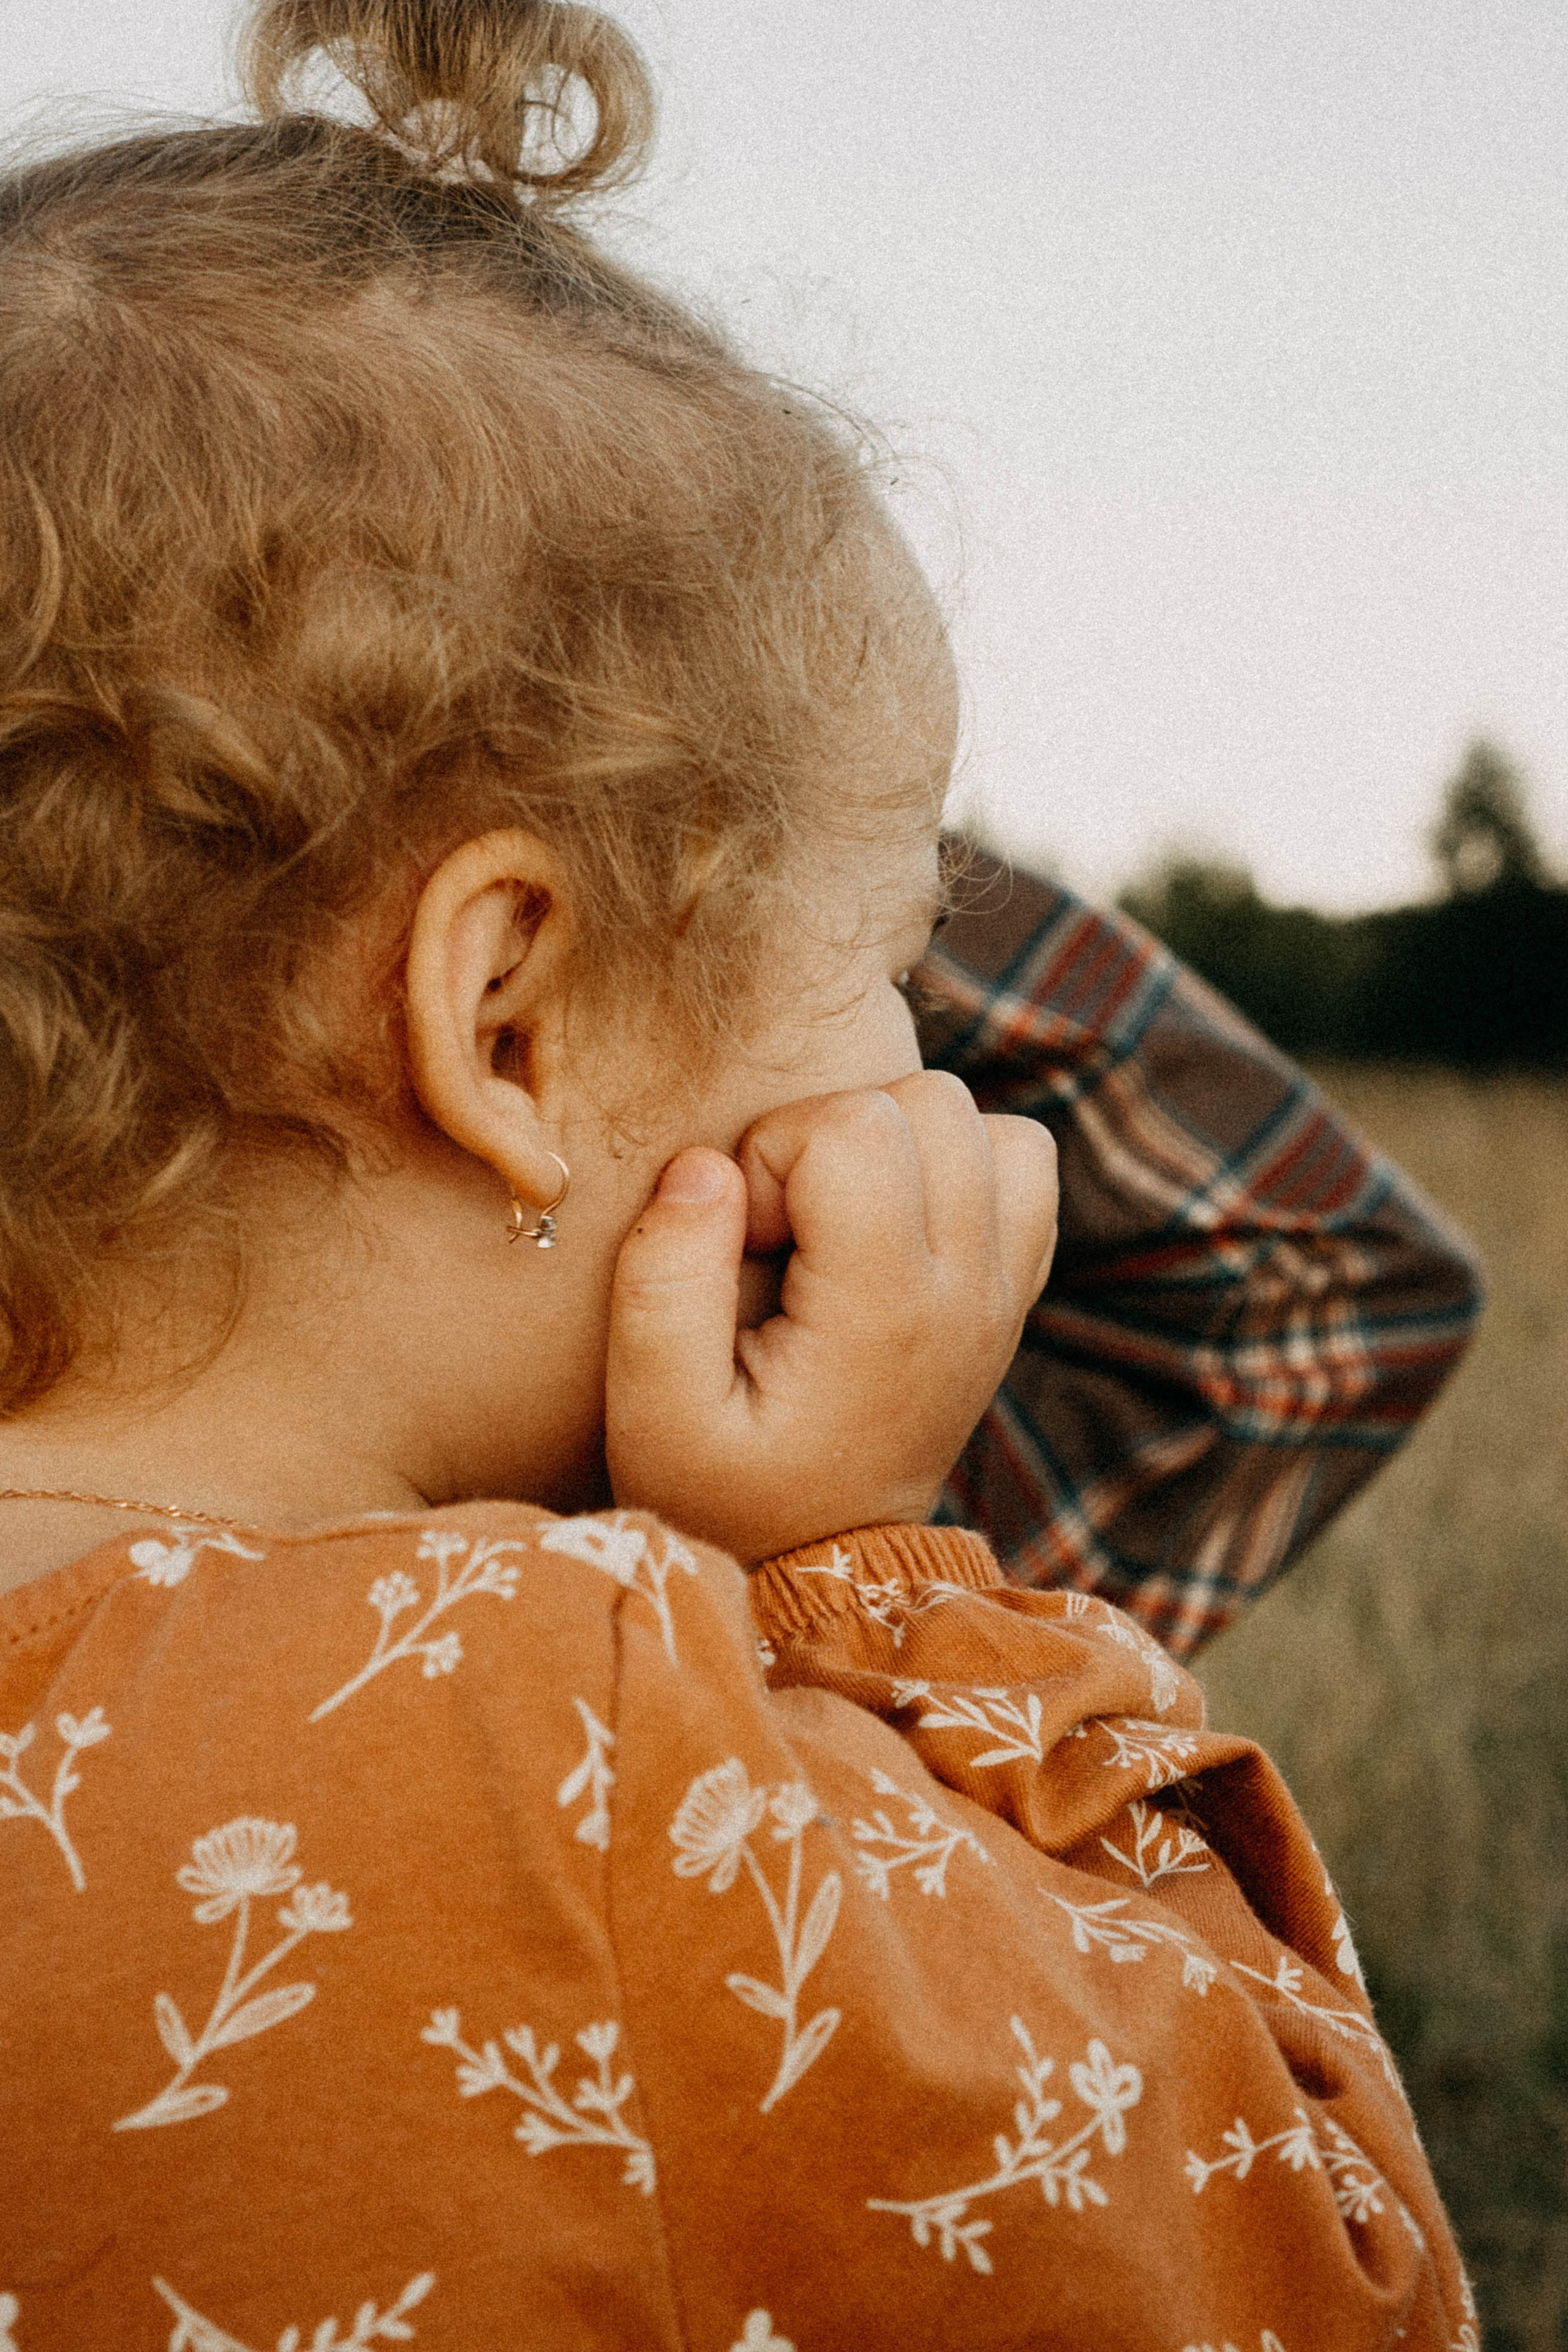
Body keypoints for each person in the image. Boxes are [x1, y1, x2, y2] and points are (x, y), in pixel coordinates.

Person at [0, 4, 1477, 2345]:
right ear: (508, 1023)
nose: (926, 1071)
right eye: (890, 966)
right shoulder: (592, 1736)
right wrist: (854, 1588)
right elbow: (1312, 2256)